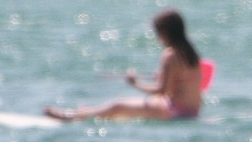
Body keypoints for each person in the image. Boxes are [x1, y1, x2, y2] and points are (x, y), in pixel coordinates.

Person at [44, 9, 203, 121]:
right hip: (192, 112)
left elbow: (162, 91)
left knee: (117, 105)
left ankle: (72, 116)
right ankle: (86, 112)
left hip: (175, 112)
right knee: (124, 107)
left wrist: (136, 83)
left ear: (165, 32)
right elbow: (181, 83)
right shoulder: (191, 53)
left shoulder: (170, 55)